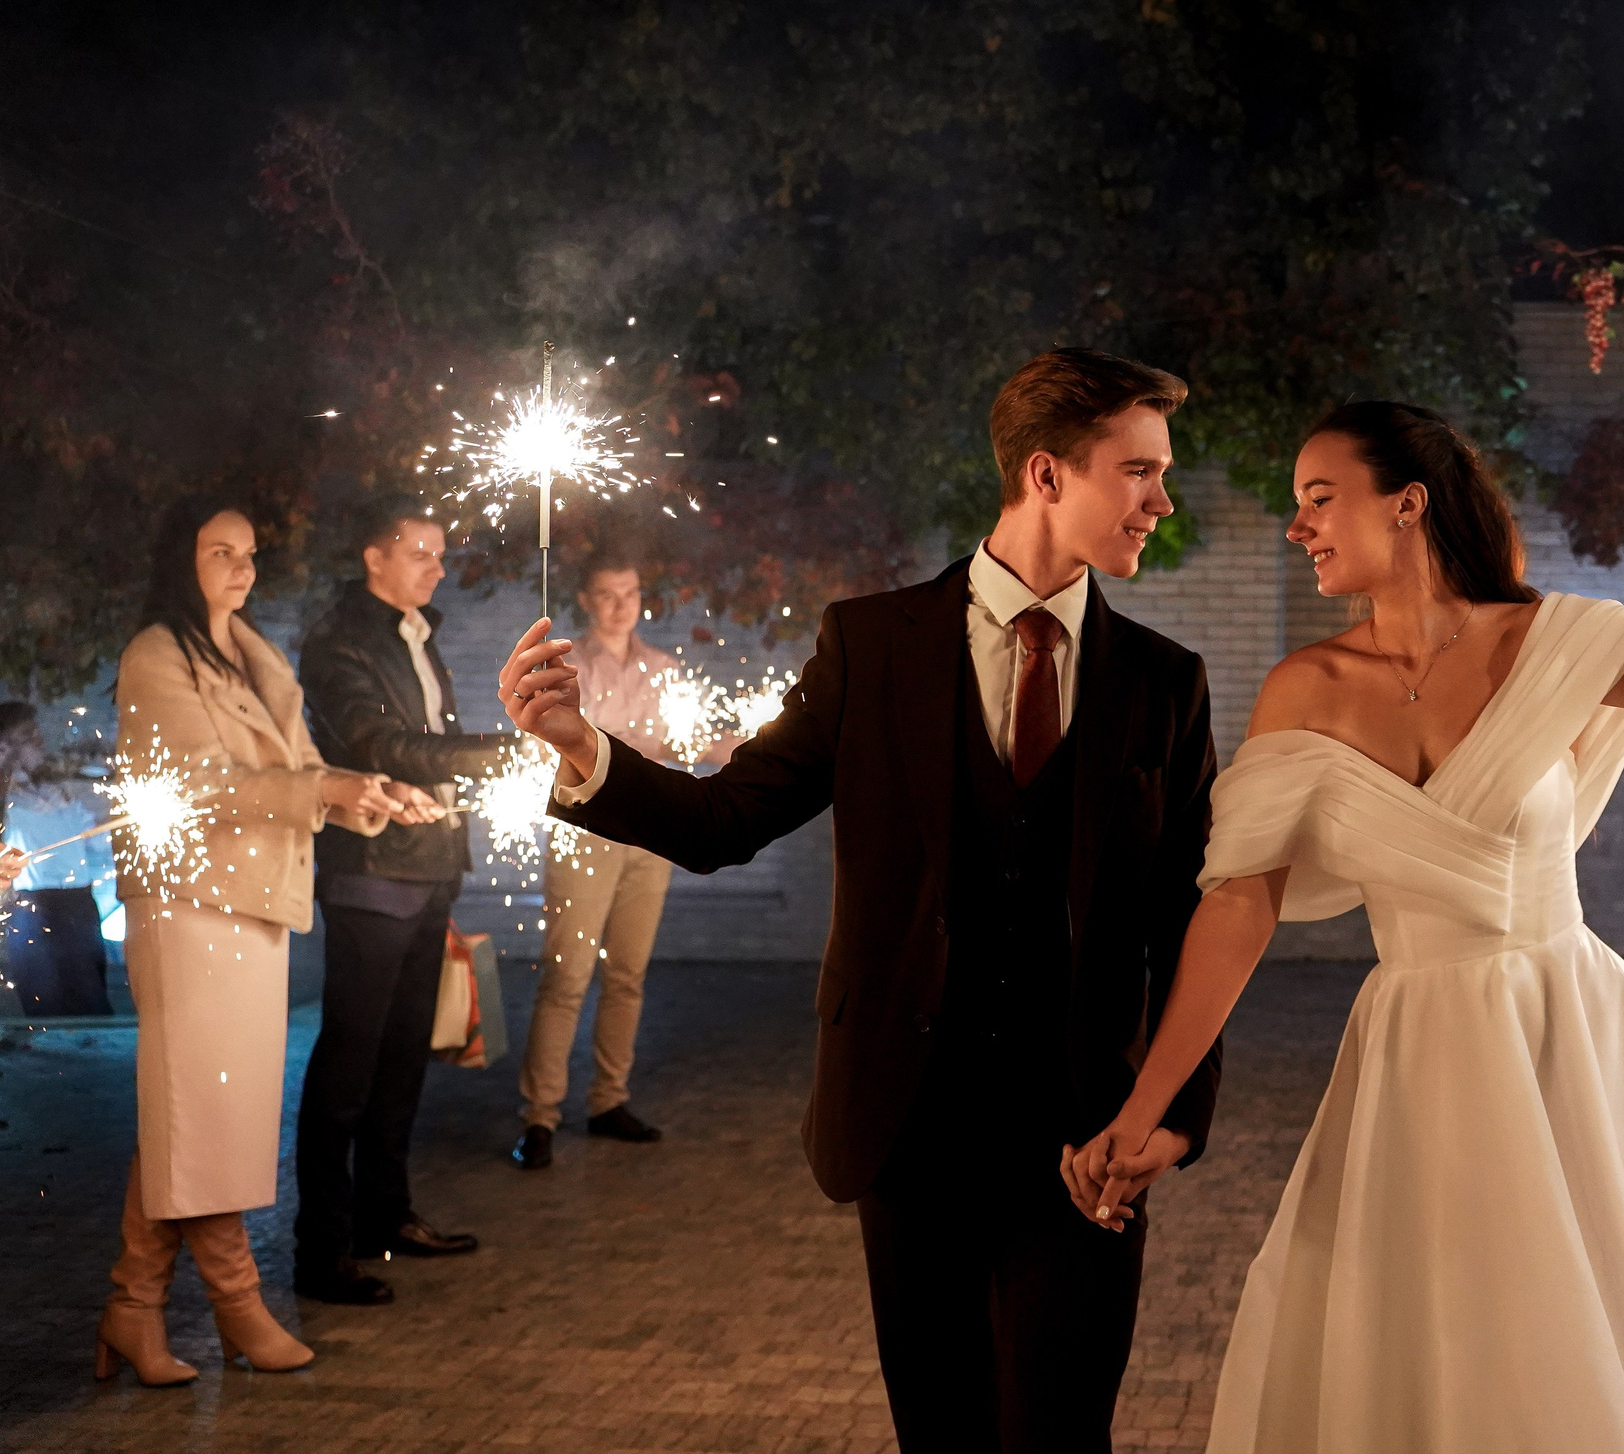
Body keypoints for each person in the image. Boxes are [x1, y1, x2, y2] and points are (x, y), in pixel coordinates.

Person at [1063, 372, 1624, 1451]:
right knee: (1429, 1338)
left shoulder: (1562, 644)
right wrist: (1142, 1106)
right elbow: (1238, 905)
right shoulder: (1306, 686)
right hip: (1415, 1053)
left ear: (1407, 501)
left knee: (1581, 1334)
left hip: (1568, 1035)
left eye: (1318, 496)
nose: (1296, 525)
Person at [500, 348, 1224, 1454]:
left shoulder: (1165, 682)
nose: (1161, 499)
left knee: (1060, 1434)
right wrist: (578, 746)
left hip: (1087, 1138)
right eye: (1139, 471)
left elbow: (1188, 924)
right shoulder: (869, 645)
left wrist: (1168, 1118)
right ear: (1046, 475)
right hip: (906, 1123)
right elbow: (721, 822)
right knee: (941, 1434)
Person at [99, 498, 433, 1384]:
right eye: (220, 551)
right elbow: (208, 782)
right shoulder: (156, 656)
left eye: (248, 553)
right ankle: (238, 1304)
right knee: (202, 1112)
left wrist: (363, 792)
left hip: (254, 904)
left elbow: (290, 769)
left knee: (200, 1112)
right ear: (183, 558)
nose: (241, 567)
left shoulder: (254, 655)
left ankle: (133, 1307)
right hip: (189, 906)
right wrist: (325, 791)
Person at [294, 499, 512, 1306]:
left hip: (426, 869)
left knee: (399, 1059)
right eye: (419, 550)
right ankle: (322, 1248)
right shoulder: (339, 640)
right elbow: (377, 745)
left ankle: (386, 1218)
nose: (437, 566)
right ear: (371, 556)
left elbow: (421, 737)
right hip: (372, 871)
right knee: (349, 1061)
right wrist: (500, 753)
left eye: (440, 552)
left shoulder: (420, 633)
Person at [510, 554, 726, 1170]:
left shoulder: (662, 668)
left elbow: (676, 744)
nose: (620, 604)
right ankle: (540, 1114)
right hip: (584, 833)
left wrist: (730, 746)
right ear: (587, 598)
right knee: (568, 975)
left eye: (629, 592)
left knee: (628, 973)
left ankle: (608, 1100)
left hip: (647, 836)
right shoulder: (565, 667)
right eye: (607, 594)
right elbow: (551, 743)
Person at [0, 701, 114, 1017]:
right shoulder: (9, 793)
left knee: (89, 994)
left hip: (79, 900)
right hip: (34, 904)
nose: (38, 740)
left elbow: (95, 841)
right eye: (27, 735)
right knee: (44, 996)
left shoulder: (61, 786)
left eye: (36, 732)